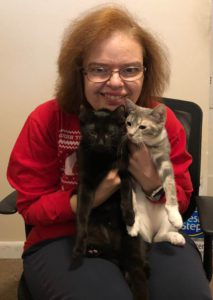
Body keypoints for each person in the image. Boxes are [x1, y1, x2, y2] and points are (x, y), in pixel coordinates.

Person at [7, 4, 212, 300]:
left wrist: (153, 182)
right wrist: (89, 198)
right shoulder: (47, 119)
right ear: (79, 71)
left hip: (146, 230)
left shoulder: (160, 120)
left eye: (130, 69)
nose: (116, 83)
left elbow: (180, 203)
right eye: (99, 69)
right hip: (69, 235)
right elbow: (30, 206)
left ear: (146, 71)